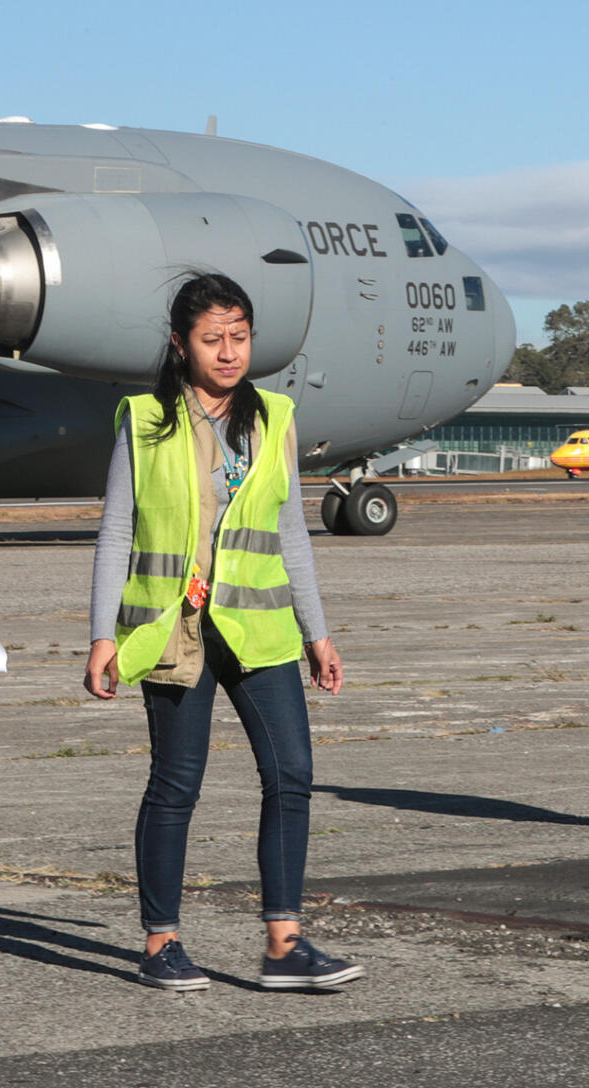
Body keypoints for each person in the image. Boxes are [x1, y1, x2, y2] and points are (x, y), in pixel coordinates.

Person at [84, 273, 364, 993]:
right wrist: (102, 634)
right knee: (177, 783)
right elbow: (117, 529)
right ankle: (160, 944)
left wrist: (318, 631)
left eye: (239, 337)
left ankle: (284, 944)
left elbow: (290, 530)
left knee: (292, 774)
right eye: (213, 339)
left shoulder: (274, 415)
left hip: (260, 629)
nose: (229, 351)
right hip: (173, 631)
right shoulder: (145, 419)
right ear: (182, 345)